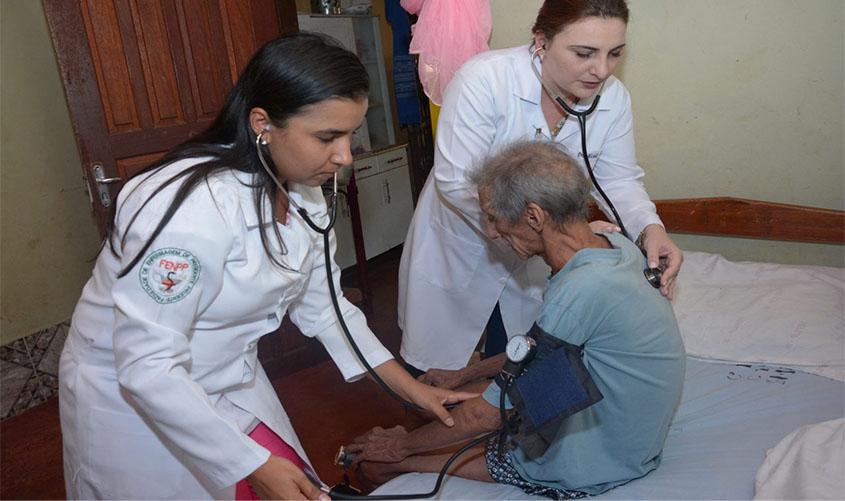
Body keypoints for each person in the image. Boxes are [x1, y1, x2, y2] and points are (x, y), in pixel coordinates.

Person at [58, 32, 474, 501]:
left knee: (287, 483)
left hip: (229, 374)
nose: (345, 156)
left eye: (351, 133)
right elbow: (147, 364)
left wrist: (413, 390)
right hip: (133, 396)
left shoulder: (302, 190)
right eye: (327, 137)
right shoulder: (188, 213)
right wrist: (250, 462)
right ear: (262, 124)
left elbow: (328, 310)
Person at [348, 141, 685, 498]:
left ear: (534, 217)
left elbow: (487, 415)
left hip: (605, 457)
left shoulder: (582, 289)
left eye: (494, 218)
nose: (491, 232)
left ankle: (396, 463)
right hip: (633, 430)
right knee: (456, 400)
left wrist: (403, 447)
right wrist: (466, 374)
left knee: (380, 463)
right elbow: (539, 347)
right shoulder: (613, 247)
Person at [398, 0, 684, 375]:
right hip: (464, 242)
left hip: (531, 269)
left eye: (614, 54)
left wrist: (651, 230)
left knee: (514, 368)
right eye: (584, 53)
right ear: (542, 41)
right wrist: (547, 232)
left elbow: (617, 180)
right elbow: (456, 182)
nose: (601, 70)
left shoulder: (612, 99)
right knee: (433, 370)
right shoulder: (484, 78)